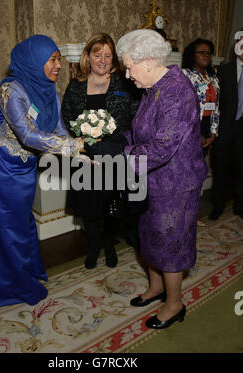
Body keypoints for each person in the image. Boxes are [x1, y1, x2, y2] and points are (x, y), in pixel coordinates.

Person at [0, 35, 83, 308]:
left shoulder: (50, 93)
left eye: (59, 58)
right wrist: (70, 146)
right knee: (6, 227)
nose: (58, 65)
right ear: (34, 61)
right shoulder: (12, 91)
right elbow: (28, 135)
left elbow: (57, 131)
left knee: (20, 223)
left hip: (24, 168)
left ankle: (23, 273)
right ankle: (9, 286)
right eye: (52, 59)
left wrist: (80, 150)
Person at [116, 29, 208, 329]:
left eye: (129, 66)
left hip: (175, 184)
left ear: (148, 61)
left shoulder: (176, 92)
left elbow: (161, 147)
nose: (128, 74)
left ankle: (175, 303)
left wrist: (119, 156)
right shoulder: (154, 87)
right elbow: (142, 130)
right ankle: (156, 288)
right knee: (149, 236)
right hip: (152, 180)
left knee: (170, 245)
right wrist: (119, 141)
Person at [62, 33, 140, 270]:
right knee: (89, 207)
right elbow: (67, 114)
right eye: (98, 55)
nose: (103, 60)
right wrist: (82, 137)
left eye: (108, 55)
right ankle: (94, 247)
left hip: (115, 153)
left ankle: (109, 244)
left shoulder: (124, 83)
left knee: (112, 205)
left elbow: (135, 115)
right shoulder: (75, 85)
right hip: (86, 154)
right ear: (88, 56)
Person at [182, 38, 220, 226]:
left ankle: (193, 214)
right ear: (192, 55)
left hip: (207, 127)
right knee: (187, 173)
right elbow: (183, 109)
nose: (206, 55)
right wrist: (196, 134)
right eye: (201, 52)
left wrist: (213, 133)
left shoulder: (212, 77)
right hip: (190, 129)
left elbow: (216, 108)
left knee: (198, 172)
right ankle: (183, 214)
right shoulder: (185, 75)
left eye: (208, 52)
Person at [209, 30, 243, 220]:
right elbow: (216, 102)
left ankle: (240, 206)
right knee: (220, 169)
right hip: (225, 127)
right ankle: (217, 206)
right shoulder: (224, 70)